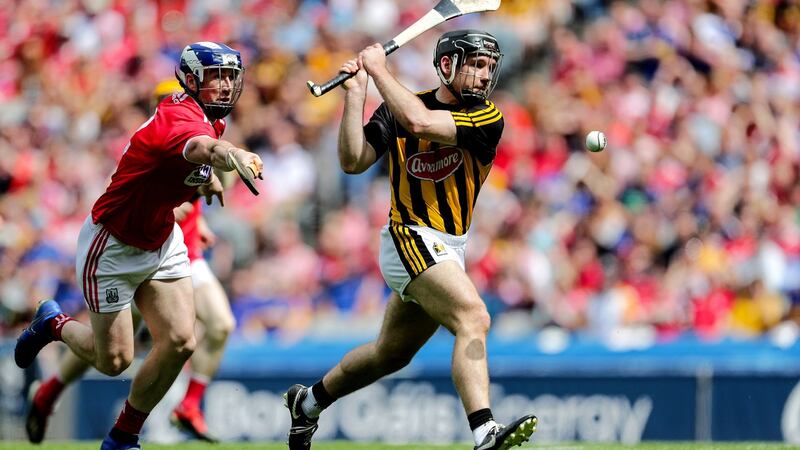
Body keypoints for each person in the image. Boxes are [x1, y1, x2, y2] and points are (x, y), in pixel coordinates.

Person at [284, 30, 537, 450]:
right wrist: (355, 96)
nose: (485, 75)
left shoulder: (487, 117)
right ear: (446, 66)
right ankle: (485, 432)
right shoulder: (395, 107)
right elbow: (353, 161)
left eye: (490, 66)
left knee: (390, 354)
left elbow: (421, 122)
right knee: (474, 317)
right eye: (476, 64)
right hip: (409, 235)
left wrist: (379, 71)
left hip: (450, 245)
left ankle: (307, 403)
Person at [14, 42, 262, 450]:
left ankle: (123, 436)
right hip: (113, 244)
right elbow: (200, 148)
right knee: (114, 361)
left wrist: (205, 182)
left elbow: (181, 166)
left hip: (161, 239)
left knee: (181, 341)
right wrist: (231, 154)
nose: (225, 85)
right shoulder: (182, 119)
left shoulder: (209, 118)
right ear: (191, 79)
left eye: (230, 77)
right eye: (215, 76)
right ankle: (53, 323)